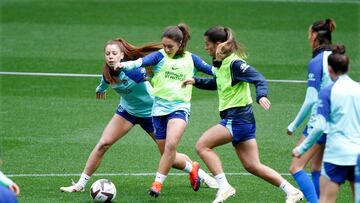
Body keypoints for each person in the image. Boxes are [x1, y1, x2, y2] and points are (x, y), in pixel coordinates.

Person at [60, 38, 217, 193]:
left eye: (114, 53)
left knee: (168, 155)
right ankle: (80, 185)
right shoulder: (108, 72)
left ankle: (198, 172)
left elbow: (154, 81)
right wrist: (100, 89)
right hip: (127, 112)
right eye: (107, 53)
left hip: (151, 115)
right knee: (103, 144)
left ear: (122, 55)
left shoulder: (135, 72)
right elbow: (104, 82)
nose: (110, 56)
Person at [182, 26, 303, 203]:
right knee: (252, 165)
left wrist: (261, 95)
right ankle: (292, 191)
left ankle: (224, 187)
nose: (205, 47)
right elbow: (217, 83)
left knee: (202, 146)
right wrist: (196, 81)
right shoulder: (222, 64)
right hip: (242, 121)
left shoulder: (235, 63)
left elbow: (259, 78)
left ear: (217, 44)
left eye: (207, 44)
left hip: (237, 119)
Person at [115, 23, 216, 198]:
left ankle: (157, 184)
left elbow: (214, 72)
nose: (167, 49)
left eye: (170, 46)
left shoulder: (192, 59)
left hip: (179, 108)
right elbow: (140, 62)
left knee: (171, 145)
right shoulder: (159, 56)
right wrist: (125, 65)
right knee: (167, 154)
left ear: (180, 44)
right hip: (158, 110)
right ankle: (193, 168)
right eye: (165, 45)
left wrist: (227, 72)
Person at [292, 44, 360, 203]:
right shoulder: (358, 89)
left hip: (336, 156)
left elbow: (320, 126)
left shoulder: (327, 92)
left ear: (329, 70)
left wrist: (302, 148)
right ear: (348, 66)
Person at [287, 18, 336, 203]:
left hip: (319, 123)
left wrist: (293, 125)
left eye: (310, 34)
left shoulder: (317, 61)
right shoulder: (338, 57)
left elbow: (310, 100)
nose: (309, 38)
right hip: (335, 121)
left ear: (315, 36)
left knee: (296, 167)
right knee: (316, 168)